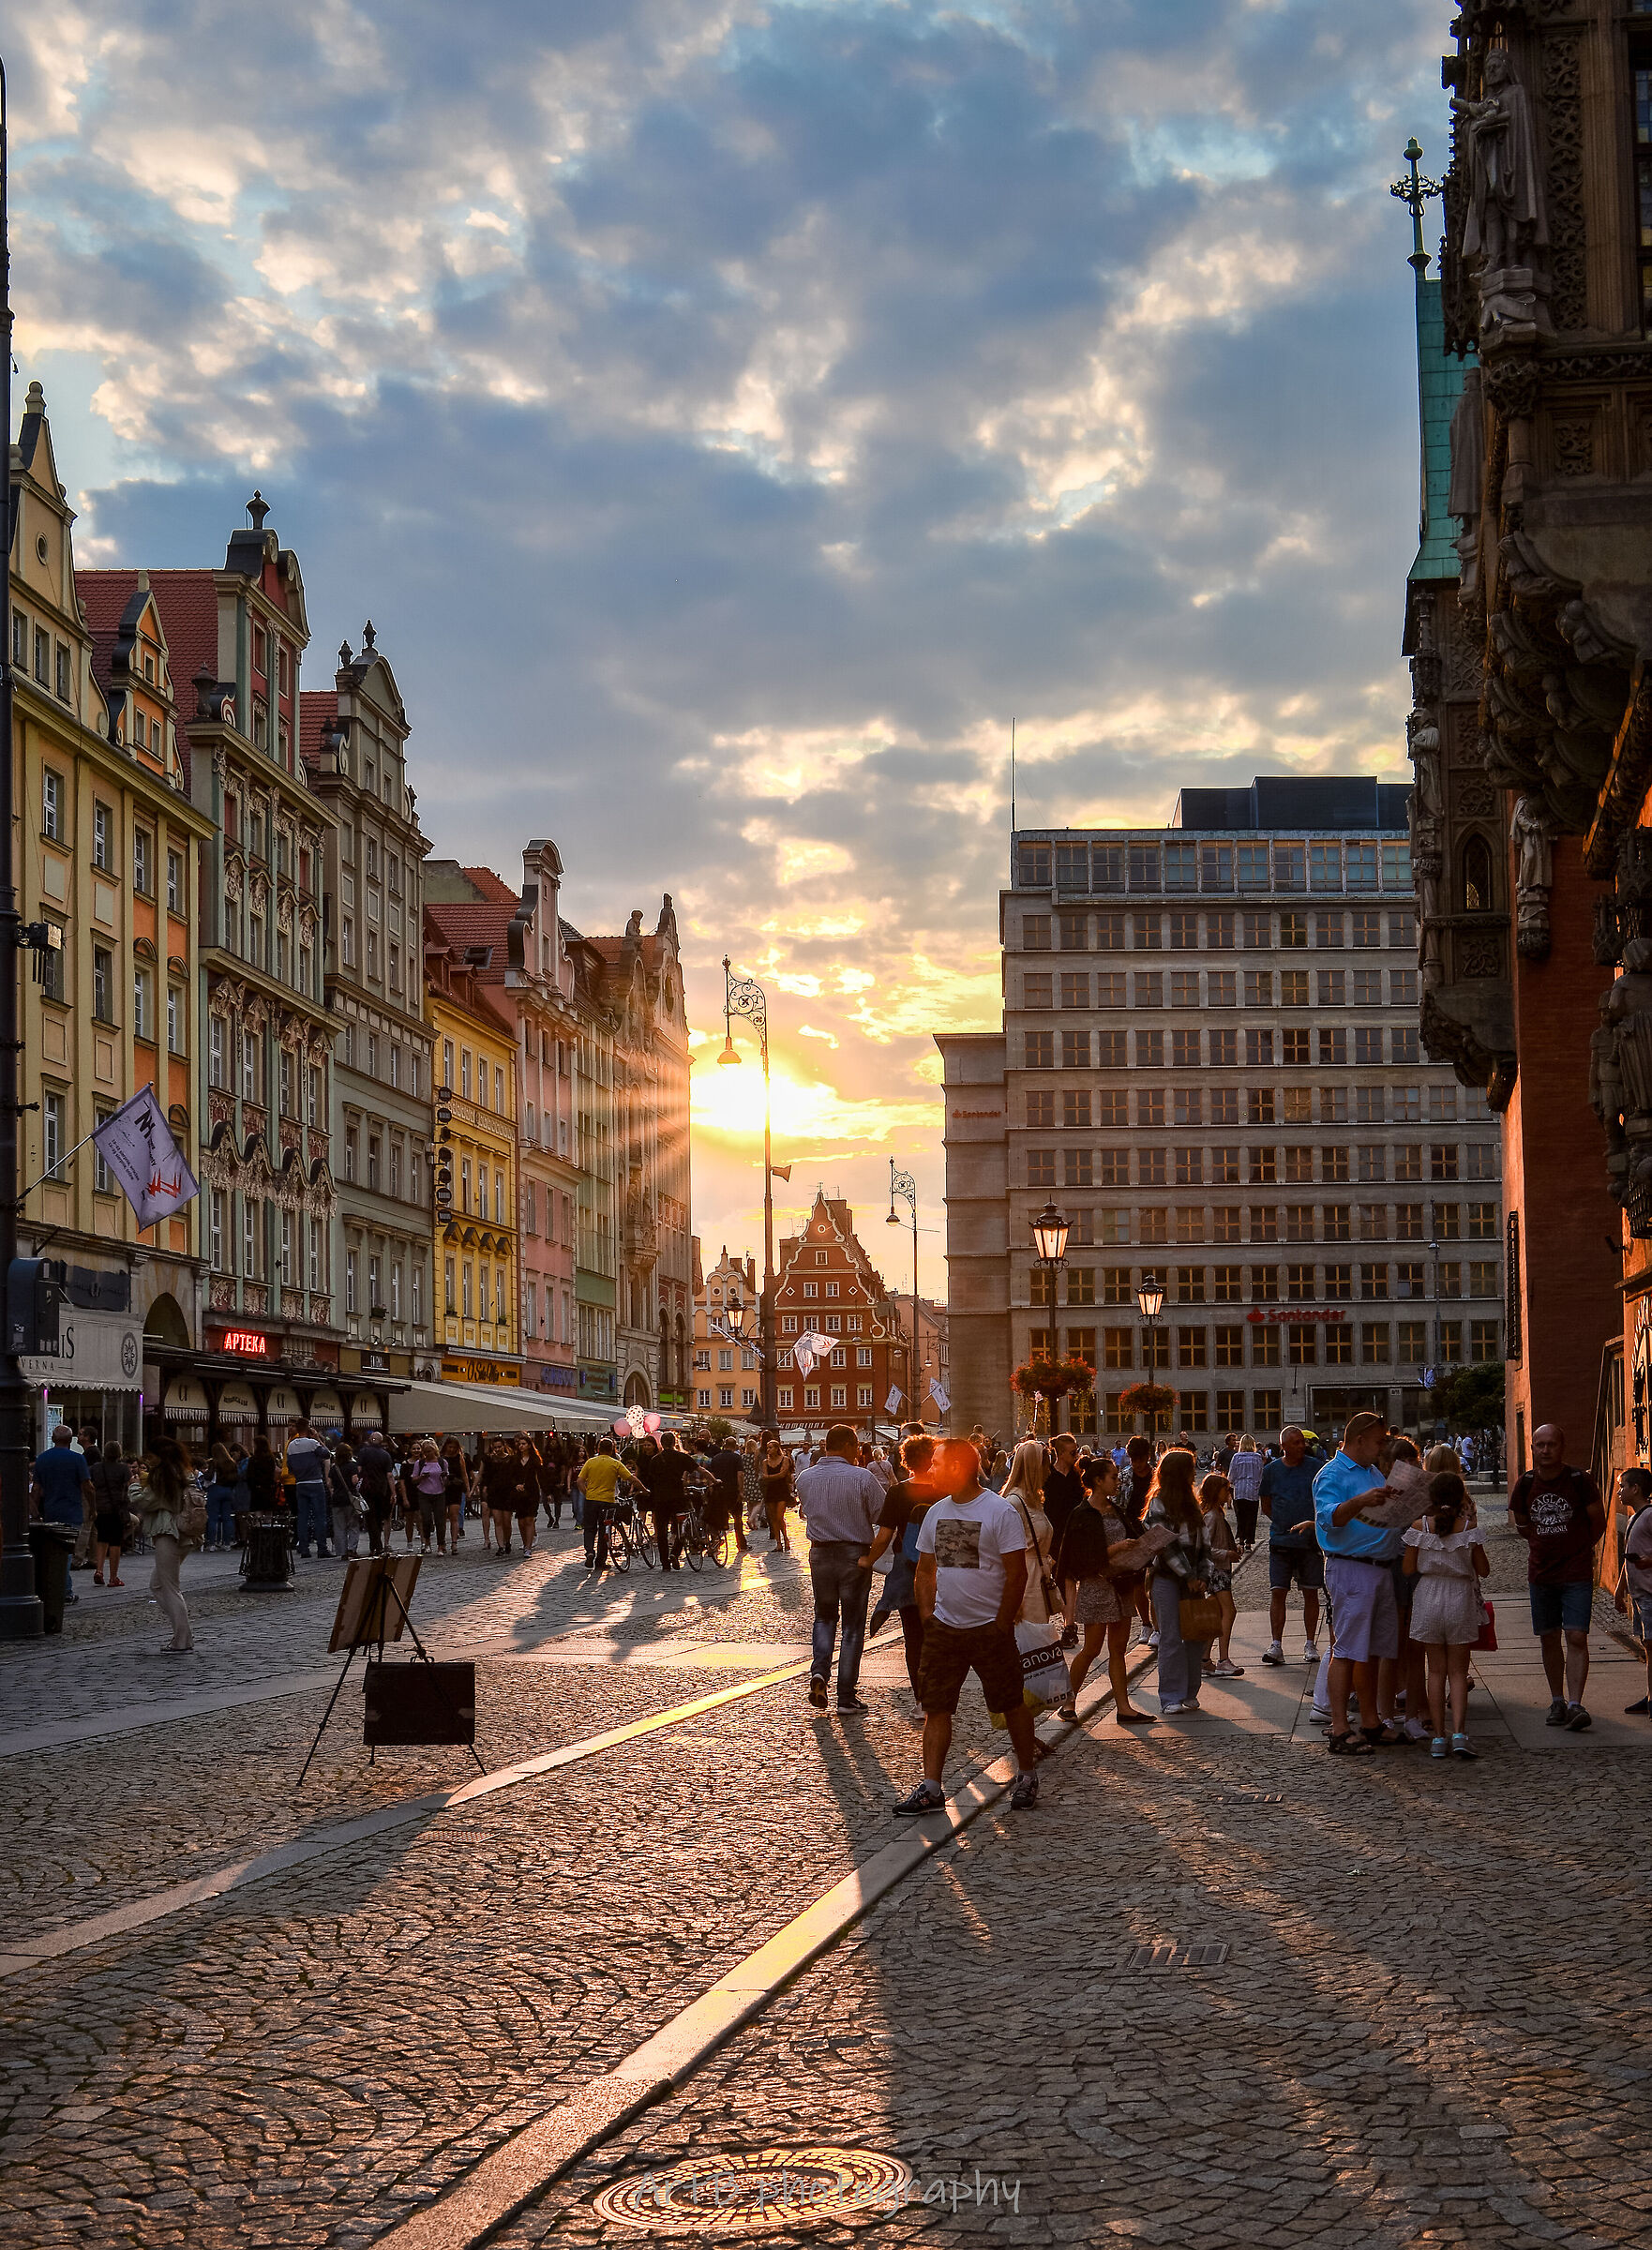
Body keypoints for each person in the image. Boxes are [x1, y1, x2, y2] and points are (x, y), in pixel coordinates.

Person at [895, 1437, 1042, 1815]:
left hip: (989, 1629)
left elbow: (1016, 1574)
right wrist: (928, 1615)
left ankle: (1026, 1773)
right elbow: (926, 1569)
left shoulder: (998, 1511)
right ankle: (931, 1787)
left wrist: (1001, 1623)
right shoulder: (934, 1512)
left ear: (959, 1467)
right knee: (936, 1707)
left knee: (1010, 1701)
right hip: (945, 1628)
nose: (930, 1471)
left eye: (937, 1464)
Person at [1509, 1421, 1604, 1732]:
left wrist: (1579, 1547)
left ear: (1562, 1448)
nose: (1546, 1450)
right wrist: (1542, 1543)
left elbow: (1598, 1520)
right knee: (1548, 1636)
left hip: (1575, 1571)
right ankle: (1557, 1700)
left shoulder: (1579, 1480)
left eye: (1552, 1444)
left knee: (1576, 1635)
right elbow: (1522, 1523)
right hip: (1541, 1572)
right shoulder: (1525, 1484)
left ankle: (1576, 1704)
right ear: (1533, 1448)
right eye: (1540, 1445)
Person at [1314, 1411, 1399, 1753]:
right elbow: (1329, 1518)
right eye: (1379, 1442)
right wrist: (1362, 1500)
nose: (1382, 1449)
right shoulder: (1331, 1473)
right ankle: (1338, 1727)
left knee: (1373, 1651)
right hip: (1351, 1569)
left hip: (1380, 1567)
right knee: (1347, 1650)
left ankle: (1370, 1721)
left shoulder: (1371, 1470)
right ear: (1360, 1439)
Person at [1055, 1454, 1154, 1726]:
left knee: (1119, 1650)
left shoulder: (1117, 1510)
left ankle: (1124, 1707)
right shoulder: (1082, 1513)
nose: (1117, 1481)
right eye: (1112, 1476)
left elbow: (1132, 1534)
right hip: (1097, 1588)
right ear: (1098, 1481)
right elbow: (1080, 1558)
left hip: (1120, 1586)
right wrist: (1117, 1549)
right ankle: (1068, 1702)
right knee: (1091, 1649)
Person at [795, 1425, 884, 1713]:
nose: (859, 1451)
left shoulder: (805, 1478)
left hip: (820, 1554)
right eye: (856, 1445)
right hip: (853, 1554)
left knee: (823, 1617)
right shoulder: (862, 1477)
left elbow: (807, 1510)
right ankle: (845, 1696)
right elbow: (881, 1513)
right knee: (852, 1626)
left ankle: (819, 1670)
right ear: (847, 1445)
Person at [1403, 1469, 1490, 1759]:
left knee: (1435, 1671)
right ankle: (1460, 1733)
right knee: (1458, 1672)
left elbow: (1408, 1569)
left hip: (1428, 1597)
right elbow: (1484, 1570)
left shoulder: (1419, 1528)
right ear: (1460, 1497)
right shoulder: (1468, 1529)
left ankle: (1438, 1737)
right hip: (1459, 1599)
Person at [867, 1433, 936, 1709]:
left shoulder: (897, 1492)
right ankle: (938, 1696)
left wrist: (867, 1560)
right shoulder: (945, 1490)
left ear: (905, 1461)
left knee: (914, 1636)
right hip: (943, 1571)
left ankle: (921, 1699)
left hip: (908, 1569)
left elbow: (884, 1536)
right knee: (940, 1634)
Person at [1145, 1448, 1211, 1716]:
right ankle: (1170, 1695)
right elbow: (1164, 1545)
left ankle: (1190, 1691)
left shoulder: (1192, 1503)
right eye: (1191, 1469)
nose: (1195, 1473)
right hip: (1167, 1578)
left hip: (1193, 1579)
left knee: (1196, 1635)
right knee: (1171, 1637)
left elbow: (1204, 1543)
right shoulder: (1158, 1503)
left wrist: (1203, 1576)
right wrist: (1189, 1576)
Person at [1259, 1426, 1322, 1668]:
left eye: (1301, 1442)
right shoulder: (1271, 1471)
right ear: (1283, 1446)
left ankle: (1309, 1642)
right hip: (1282, 1540)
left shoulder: (1315, 1467)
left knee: (1310, 1592)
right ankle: (1276, 1644)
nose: (1301, 1446)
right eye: (1295, 1442)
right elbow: (1266, 1504)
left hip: (1308, 1542)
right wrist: (1282, 1522)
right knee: (1278, 1592)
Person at [139, 1435, 195, 1655]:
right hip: (183, 1533)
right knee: (159, 1585)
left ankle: (182, 1639)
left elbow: (146, 1500)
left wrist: (133, 1487)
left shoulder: (162, 1475)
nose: (148, 1460)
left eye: (150, 1456)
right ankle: (183, 1635)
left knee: (168, 1587)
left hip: (168, 1533)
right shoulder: (182, 1472)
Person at [30, 1426, 92, 1610]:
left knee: (54, 1553)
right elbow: (87, 1486)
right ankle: (64, 1591)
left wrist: (35, 1512)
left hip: (51, 1511)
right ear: (70, 1440)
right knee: (66, 1553)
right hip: (72, 1511)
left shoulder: (42, 1459)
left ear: (53, 1438)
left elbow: (36, 1489)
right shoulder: (77, 1459)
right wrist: (93, 1508)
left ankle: (60, 1588)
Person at [1199, 1471, 1244, 1677]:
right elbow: (1205, 1547)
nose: (1229, 1492)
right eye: (1225, 1488)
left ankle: (1204, 1658)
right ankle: (1223, 1659)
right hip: (1216, 1571)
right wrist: (1226, 1553)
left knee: (1218, 1615)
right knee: (1229, 1611)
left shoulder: (1217, 1513)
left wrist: (1232, 1550)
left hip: (1221, 1569)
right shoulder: (1211, 1516)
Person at [578, 1437, 645, 1573]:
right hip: (608, 1501)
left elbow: (579, 1481)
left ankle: (590, 1552)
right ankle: (600, 1561)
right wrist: (644, 1489)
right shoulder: (615, 1463)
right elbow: (632, 1479)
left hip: (591, 1500)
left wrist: (587, 1494)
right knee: (604, 1530)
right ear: (612, 1450)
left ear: (598, 1449)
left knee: (590, 1528)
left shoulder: (590, 1462)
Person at [1617, 1464, 1652, 1715]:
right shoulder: (1632, 1519)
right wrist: (1620, 1589)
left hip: (1650, 1593)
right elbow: (1627, 1560)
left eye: (1622, 1487)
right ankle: (1650, 1694)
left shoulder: (1650, 1515)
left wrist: (1648, 1561)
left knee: (1651, 1645)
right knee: (1647, 1646)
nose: (1619, 1492)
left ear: (1635, 1488)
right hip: (1639, 1594)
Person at [638, 1431, 695, 1570]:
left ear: (661, 1444)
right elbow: (699, 1469)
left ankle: (665, 1563)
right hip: (678, 1498)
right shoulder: (682, 1457)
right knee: (682, 1527)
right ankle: (675, 1553)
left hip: (660, 1499)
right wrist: (714, 1480)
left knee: (662, 1531)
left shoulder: (655, 1460)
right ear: (674, 1443)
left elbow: (651, 1479)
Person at [284, 1420, 332, 1559]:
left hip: (300, 1483)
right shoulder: (312, 1444)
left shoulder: (291, 1446)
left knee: (303, 1517)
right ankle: (322, 1548)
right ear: (308, 1429)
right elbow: (327, 1454)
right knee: (319, 1517)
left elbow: (290, 1467)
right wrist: (317, 1439)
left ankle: (304, 1548)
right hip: (315, 1482)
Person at [91, 1441, 132, 1586]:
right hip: (117, 1509)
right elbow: (128, 1486)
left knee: (102, 1539)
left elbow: (91, 1486)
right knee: (115, 1542)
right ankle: (113, 1577)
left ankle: (99, 1570)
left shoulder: (96, 1468)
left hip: (100, 1507)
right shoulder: (123, 1469)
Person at [706, 1433, 749, 1555]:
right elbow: (740, 1475)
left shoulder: (716, 1458)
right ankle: (741, 1543)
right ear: (734, 1446)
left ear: (724, 1446)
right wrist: (741, 1491)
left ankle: (716, 1539)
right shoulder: (736, 1458)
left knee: (718, 1517)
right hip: (733, 1491)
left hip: (719, 1491)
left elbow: (711, 1475)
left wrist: (711, 1489)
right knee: (737, 1519)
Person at [354, 1430, 396, 1555]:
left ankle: (375, 1545)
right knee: (378, 1517)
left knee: (370, 1517)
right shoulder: (386, 1455)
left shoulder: (363, 1452)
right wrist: (393, 1492)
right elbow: (389, 1475)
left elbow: (359, 1469)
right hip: (381, 1489)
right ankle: (377, 1545)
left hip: (367, 1488)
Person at [408, 1441, 449, 1554]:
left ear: (434, 1450)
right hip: (424, 1493)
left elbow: (446, 1480)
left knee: (440, 1520)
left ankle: (441, 1545)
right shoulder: (419, 1463)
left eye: (429, 1451)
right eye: (425, 1452)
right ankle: (427, 1542)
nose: (427, 1454)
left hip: (439, 1492)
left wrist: (444, 1477)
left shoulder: (442, 1462)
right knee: (426, 1518)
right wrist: (422, 1477)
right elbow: (413, 1479)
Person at [202, 1442, 240, 1555]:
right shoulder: (231, 1463)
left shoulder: (214, 1462)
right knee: (227, 1518)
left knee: (213, 1518)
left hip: (216, 1490)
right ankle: (227, 1543)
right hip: (228, 1491)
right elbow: (236, 1478)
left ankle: (213, 1544)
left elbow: (208, 1476)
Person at [1227, 1435, 1264, 1552]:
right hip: (1253, 1491)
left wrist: (1231, 1483)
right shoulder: (1257, 1457)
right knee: (1252, 1517)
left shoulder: (1236, 1457)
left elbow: (1231, 1475)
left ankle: (1241, 1540)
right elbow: (1260, 1473)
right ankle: (1249, 1542)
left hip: (1239, 1490)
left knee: (1240, 1517)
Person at [759, 1433, 794, 1552]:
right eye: (767, 1448)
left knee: (780, 1517)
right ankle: (779, 1543)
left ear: (777, 1448)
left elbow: (783, 1474)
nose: (768, 1450)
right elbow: (764, 1476)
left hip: (781, 1490)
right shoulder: (765, 1462)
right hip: (771, 1491)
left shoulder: (784, 1459)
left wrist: (769, 1477)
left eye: (770, 1447)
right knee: (773, 1518)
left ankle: (786, 1538)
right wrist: (773, 1477)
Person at [327, 1441, 361, 1559]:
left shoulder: (334, 1468)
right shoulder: (352, 1466)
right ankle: (352, 1549)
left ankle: (342, 1552)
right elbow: (354, 1481)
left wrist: (333, 1492)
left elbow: (329, 1483)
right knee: (353, 1525)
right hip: (350, 1499)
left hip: (337, 1499)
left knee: (339, 1526)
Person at [245, 1432, 279, 1514]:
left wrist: (252, 1485)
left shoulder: (254, 1460)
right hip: (268, 1489)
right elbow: (272, 1473)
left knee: (258, 1513)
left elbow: (250, 1475)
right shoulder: (270, 1458)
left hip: (256, 1490)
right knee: (268, 1513)